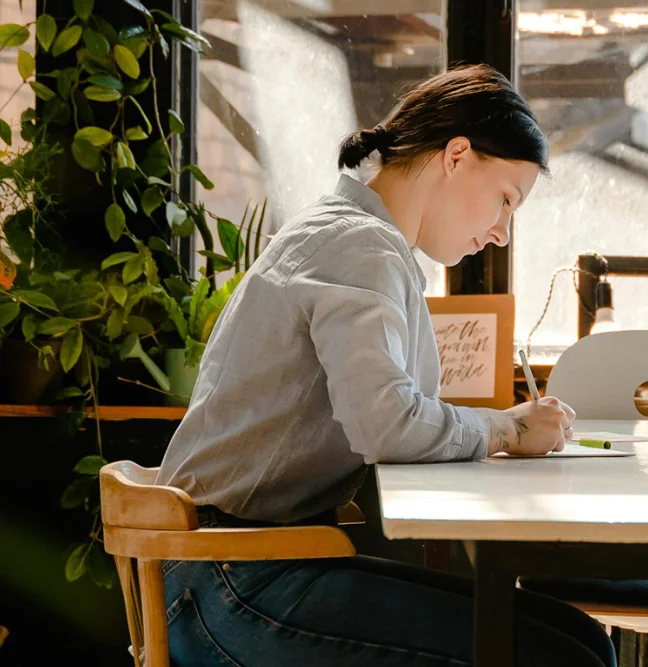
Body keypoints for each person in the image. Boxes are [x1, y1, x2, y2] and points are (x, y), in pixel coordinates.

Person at [155, 64, 616, 667]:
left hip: (243, 566)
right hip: (234, 582)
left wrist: (498, 427)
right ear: (456, 156)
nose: (503, 233)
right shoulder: (360, 246)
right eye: (506, 199)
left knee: (576, 638)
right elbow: (385, 423)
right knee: (564, 655)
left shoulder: (353, 236)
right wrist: (507, 428)